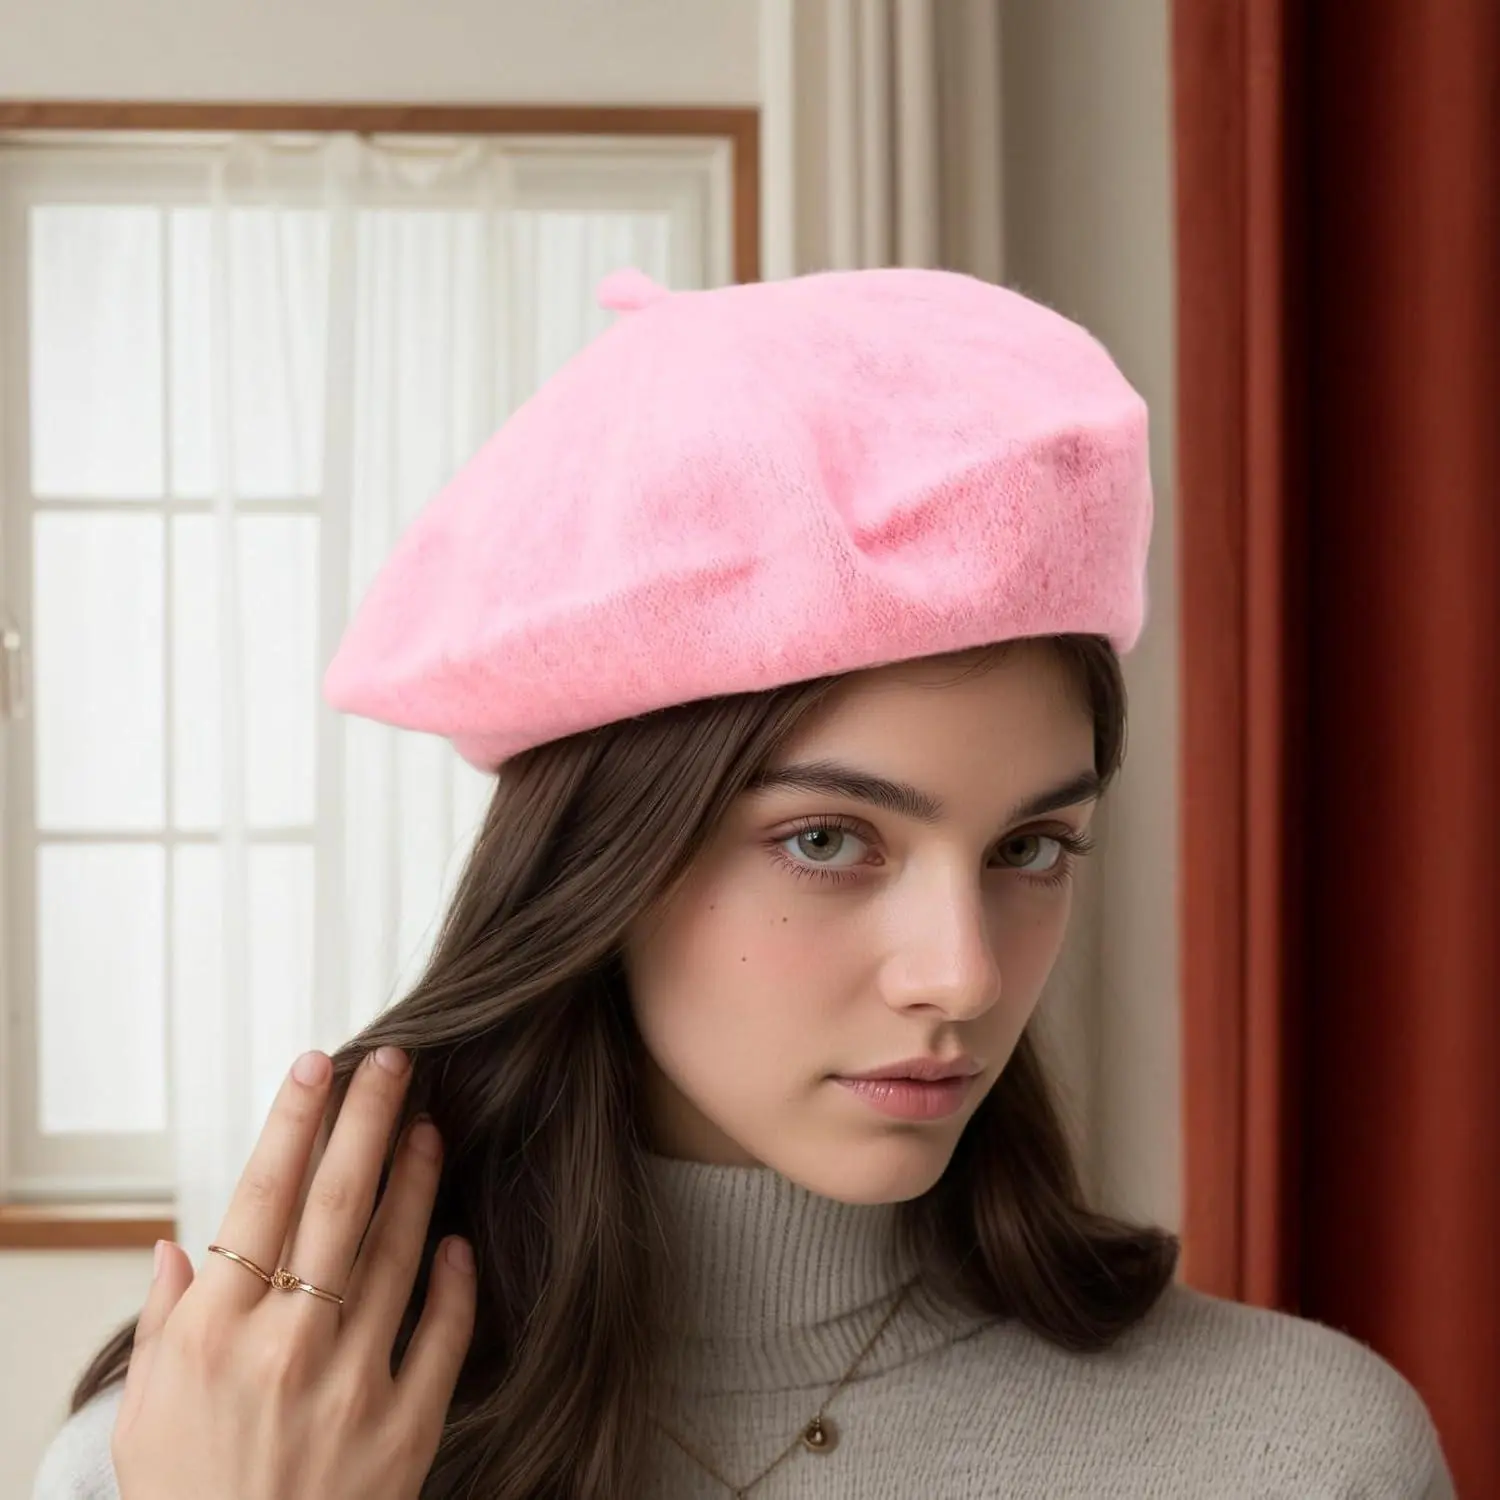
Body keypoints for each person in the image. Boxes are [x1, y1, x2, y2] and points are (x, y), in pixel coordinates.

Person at [34, 267, 1453, 1499]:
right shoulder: (194, 1451)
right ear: (602, 860)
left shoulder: (1301, 1452)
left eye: (1029, 848)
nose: (962, 972)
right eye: (828, 840)